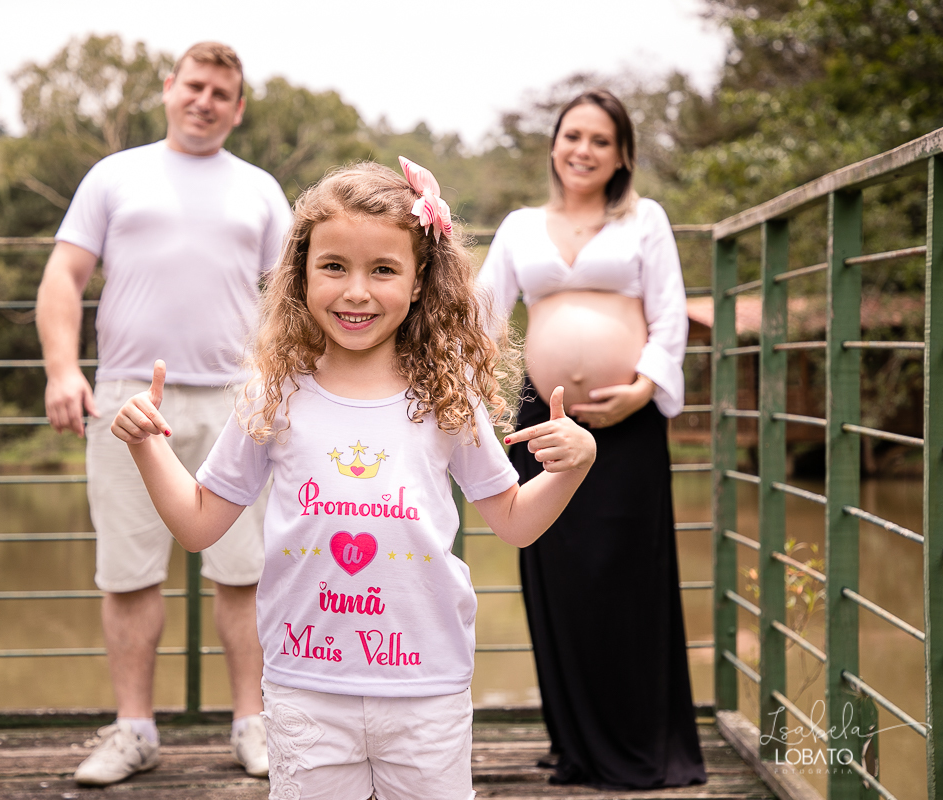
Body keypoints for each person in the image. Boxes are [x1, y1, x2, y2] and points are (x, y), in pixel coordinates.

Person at [110, 158, 597, 799]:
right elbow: (200, 526)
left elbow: (516, 522)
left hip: (427, 687)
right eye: (334, 266)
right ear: (301, 274)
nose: (357, 291)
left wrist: (574, 466)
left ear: (420, 281)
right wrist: (148, 446)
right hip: (305, 688)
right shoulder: (273, 396)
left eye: (384, 270)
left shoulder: (446, 399)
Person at [35, 42, 292, 784]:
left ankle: (254, 725)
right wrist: (61, 370)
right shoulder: (115, 176)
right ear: (169, 89)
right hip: (127, 400)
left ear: (238, 108)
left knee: (243, 572)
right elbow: (64, 275)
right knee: (127, 572)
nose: (205, 101)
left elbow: (288, 299)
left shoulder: (260, 190)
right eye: (194, 86)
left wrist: (286, 388)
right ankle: (135, 731)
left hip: (241, 402)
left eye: (222, 92)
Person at [477, 88, 706, 788]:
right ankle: (576, 741)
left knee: (627, 577)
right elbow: (485, 316)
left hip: (628, 428)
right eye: (572, 135)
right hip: (542, 424)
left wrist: (640, 388)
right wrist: (474, 402)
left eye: (600, 140)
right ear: (554, 144)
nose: (583, 149)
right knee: (561, 574)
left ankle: (638, 741)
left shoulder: (646, 221)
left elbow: (669, 318)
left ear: (622, 155)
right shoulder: (520, 226)